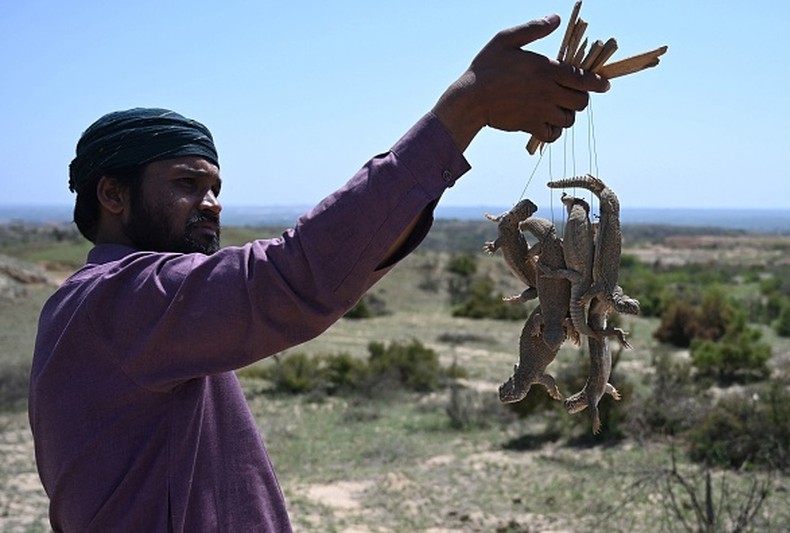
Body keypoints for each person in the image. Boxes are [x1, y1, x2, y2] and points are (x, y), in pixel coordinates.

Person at [29, 13, 609, 532]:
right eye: (187, 184)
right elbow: (295, 276)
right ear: (113, 195)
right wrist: (467, 109)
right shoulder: (117, 300)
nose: (211, 204)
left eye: (215, 188)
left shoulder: (129, 310)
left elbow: (320, 270)